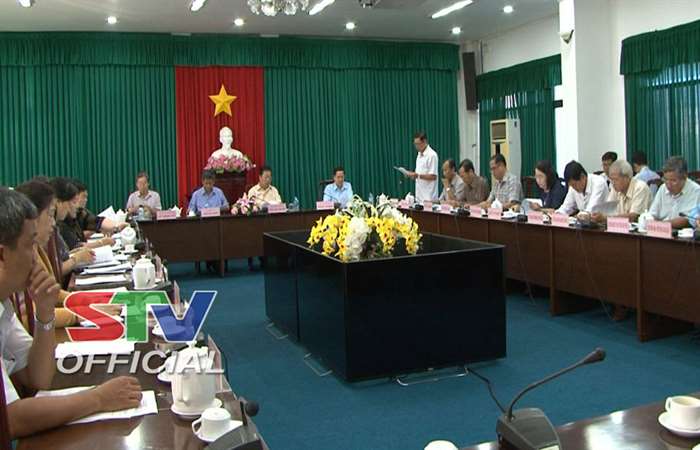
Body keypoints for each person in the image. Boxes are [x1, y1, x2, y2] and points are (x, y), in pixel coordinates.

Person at [0, 187, 143, 439]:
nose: (35, 258)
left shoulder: (4, 306)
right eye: (30, 245)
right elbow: (10, 419)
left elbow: (39, 377)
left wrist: (46, 313)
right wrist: (99, 398)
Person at [15, 179, 80, 328]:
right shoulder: (19, 256)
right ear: (32, 217)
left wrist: (84, 302)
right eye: (50, 214)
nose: (53, 223)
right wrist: (78, 314)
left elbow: (51, 292)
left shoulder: (35, 249)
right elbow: (28, 317)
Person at [50, 178, 114, 252]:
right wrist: (101, 242)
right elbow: (74, 247)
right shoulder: (59, 225)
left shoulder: (78, 214)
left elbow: (97, 221)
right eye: (74, 202)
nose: (76, 206)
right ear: (58, 202)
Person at [591, 160, 651, 224]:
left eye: (615, 179)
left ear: (627, 178)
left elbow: (634, 217)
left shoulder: (640, 187)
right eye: (611, 179)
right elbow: (608, 211)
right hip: (620, 227)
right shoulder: (615, 189)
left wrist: (606, 218)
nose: (613, 183)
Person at [649, 156, 700, 228]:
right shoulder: (663, 188)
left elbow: (687, 220)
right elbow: (652, 214)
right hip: (659, 230)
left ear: (684, 177)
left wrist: (660, 225)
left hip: (681, 232)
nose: (668, 185)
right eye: (665, 179)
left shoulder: (696, 191)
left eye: (673, 180)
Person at [406, 131, 438, 202]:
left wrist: (417, 175)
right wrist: (411, 175)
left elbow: (433, 176)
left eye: (418, 144)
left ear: (425, 141)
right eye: (415, 144)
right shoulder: (419, 154)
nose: (416, 146)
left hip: (429, 198)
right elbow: (419, 174)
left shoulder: (432, 155)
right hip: (419, 196)